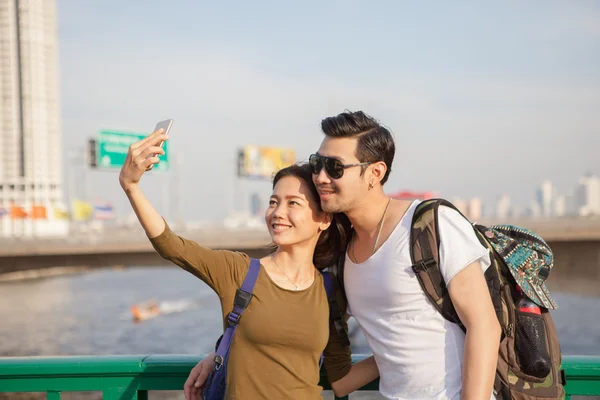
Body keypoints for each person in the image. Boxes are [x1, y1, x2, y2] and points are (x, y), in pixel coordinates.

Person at [190, 110, 502, 400]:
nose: (321, 177)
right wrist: (223, 352)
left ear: (374, 173)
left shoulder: (429, 225)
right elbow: (286, 317)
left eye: (335, 167)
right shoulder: (340, 257)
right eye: (318, 164)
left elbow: (484, 325)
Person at [118, 128, 379, 400]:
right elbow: (172, 246)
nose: (278, 213)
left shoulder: (330, 290)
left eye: (293, 203)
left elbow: (341, 381)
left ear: (323, 220)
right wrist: (131, 186)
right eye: (273, 202)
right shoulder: (239, 272)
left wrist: (400, 352)